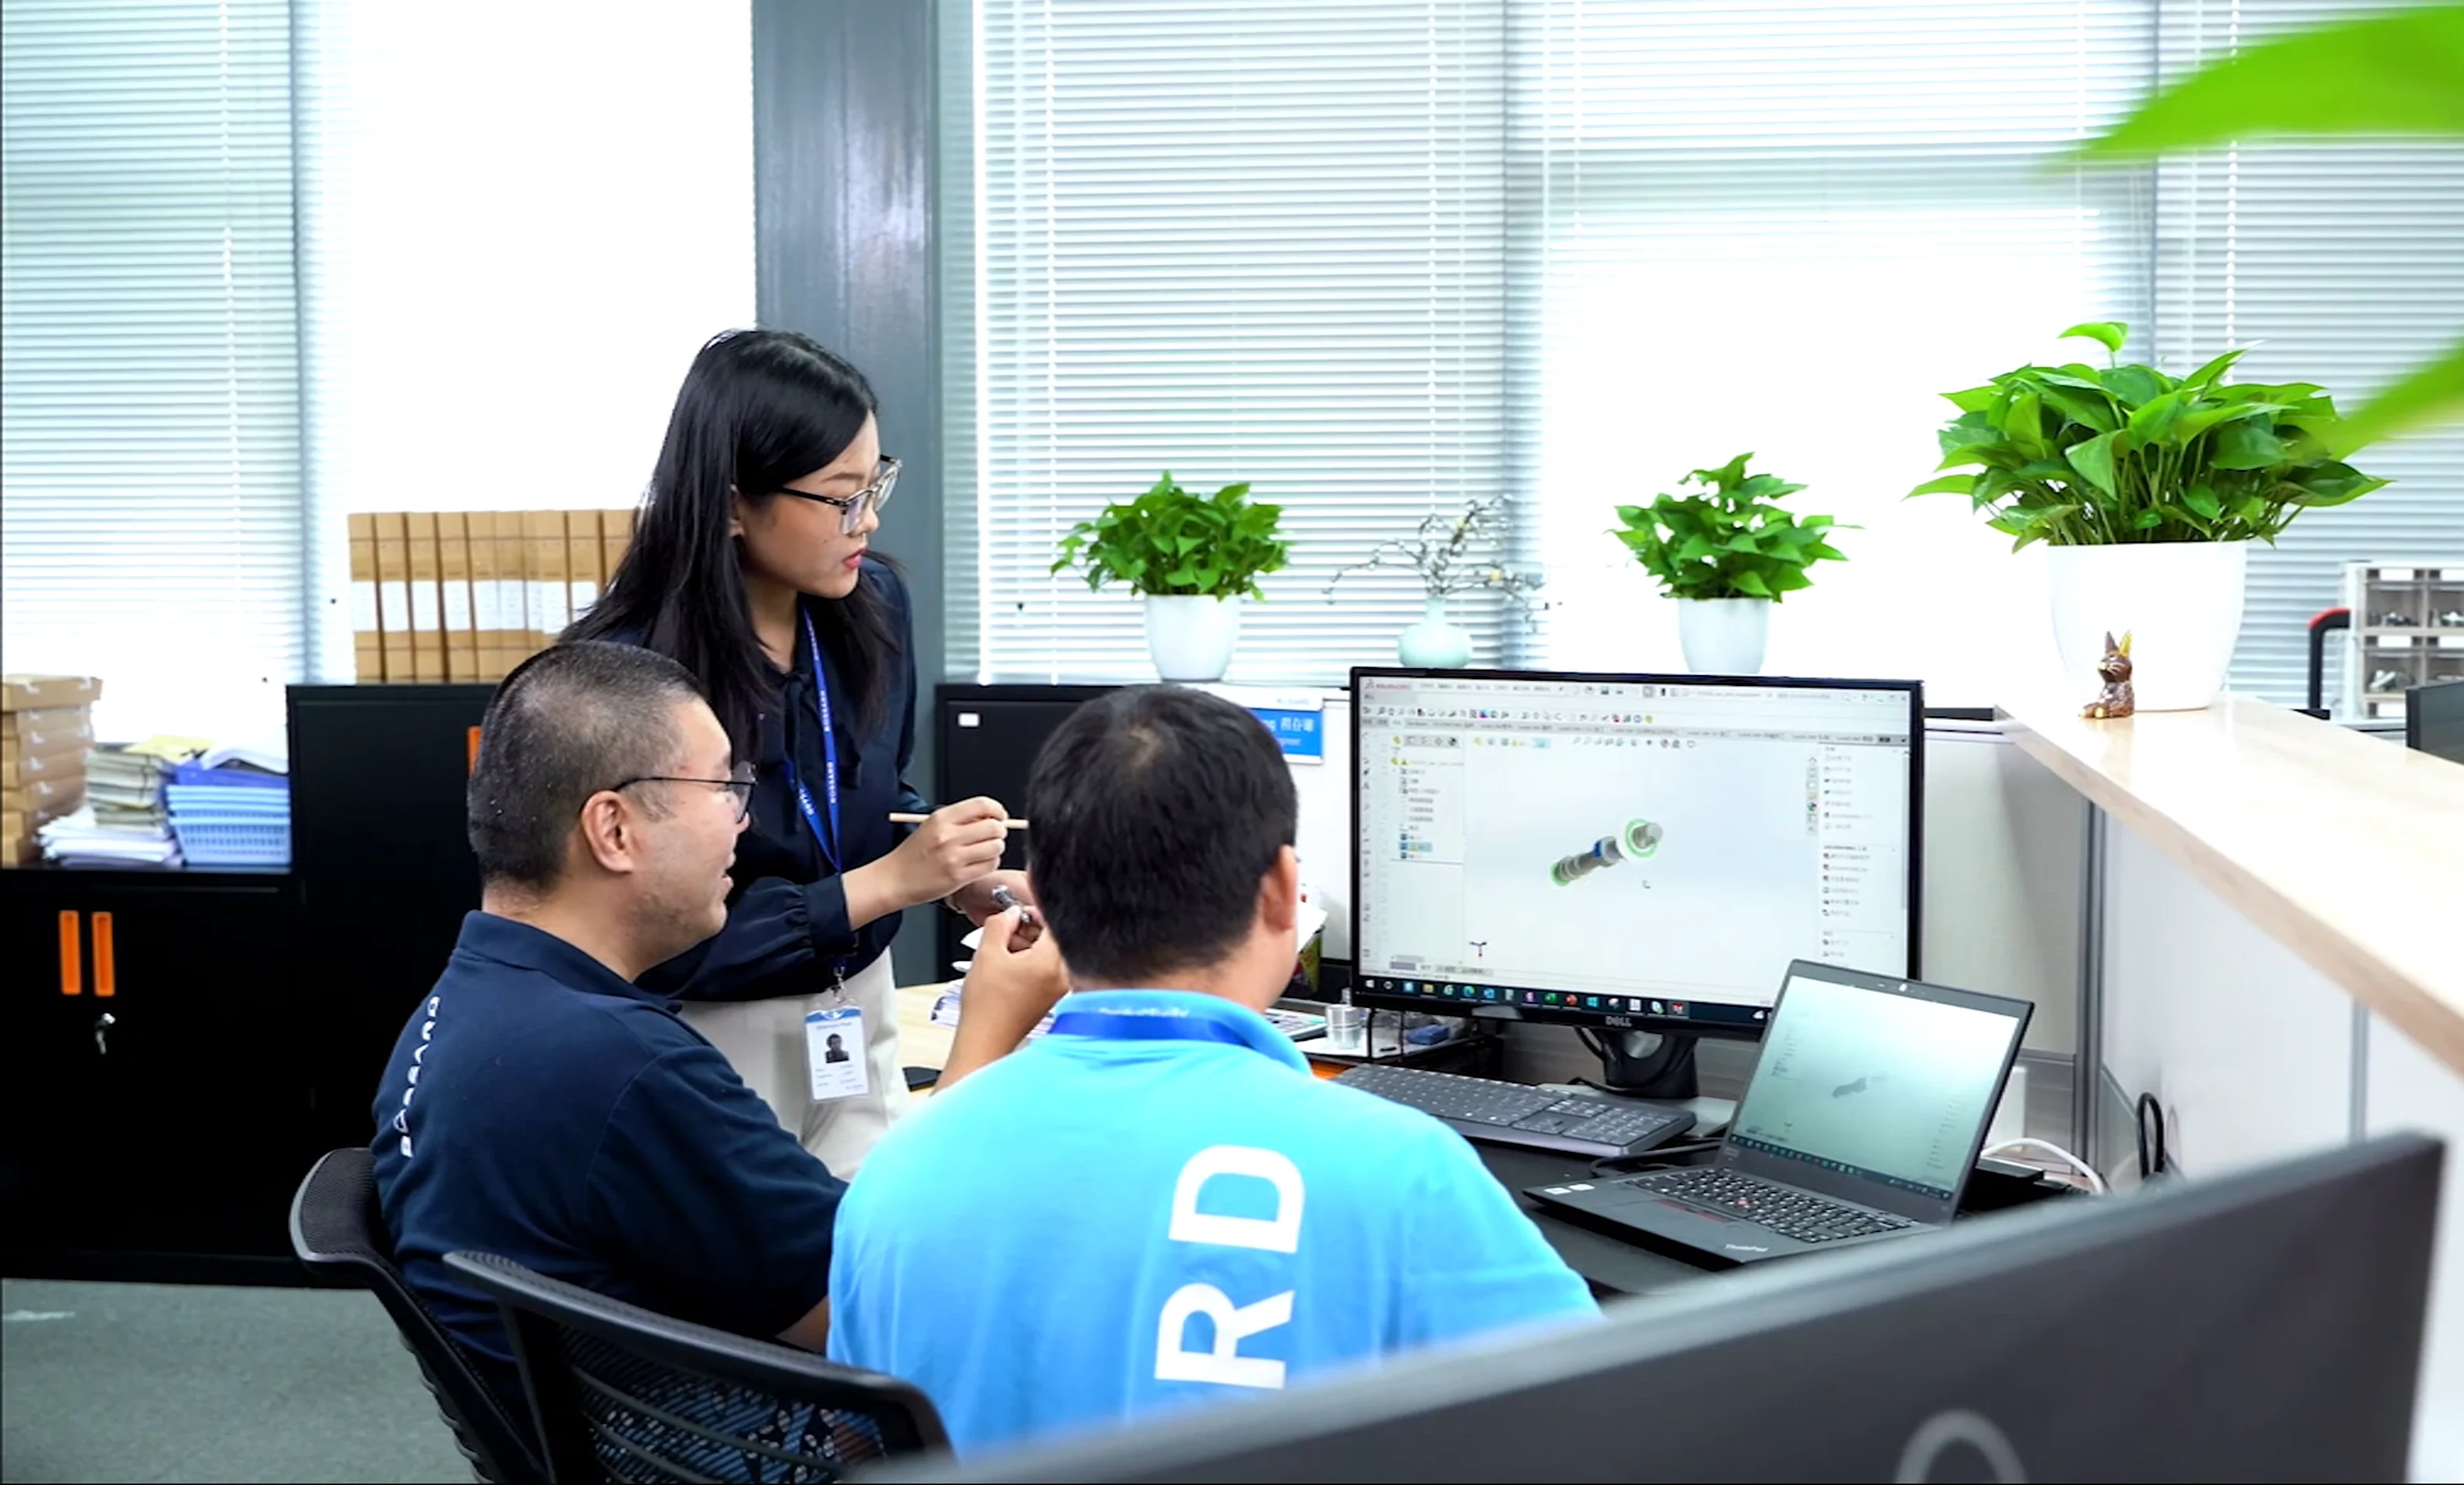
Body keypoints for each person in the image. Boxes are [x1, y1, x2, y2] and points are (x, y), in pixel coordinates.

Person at [826, 686, 1597, 1456]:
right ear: (1278, 890)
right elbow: (1603, 1435)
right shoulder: (1398, 1171)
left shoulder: (899, 1172)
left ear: (1048, 900)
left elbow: (859, 1451)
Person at [371, 641, 1063, 1422]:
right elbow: (889, 1310)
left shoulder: (469, 1007)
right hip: (749, 1447)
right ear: (614, 829)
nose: (743, 817)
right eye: (722, 785)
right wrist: (989, 1034)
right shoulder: (621, 1070)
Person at [569, 329, 1026, 1179]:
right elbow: (649, 940)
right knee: (769, 1296)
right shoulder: (629, 679)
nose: (870, 521)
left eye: (874, 482)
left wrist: (955, 869)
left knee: (886, 1257)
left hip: (858, 1010)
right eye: (839, 497)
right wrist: (889, 882)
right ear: (734, 503)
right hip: (709, 1031)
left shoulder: (872, 605)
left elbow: (871, 790)